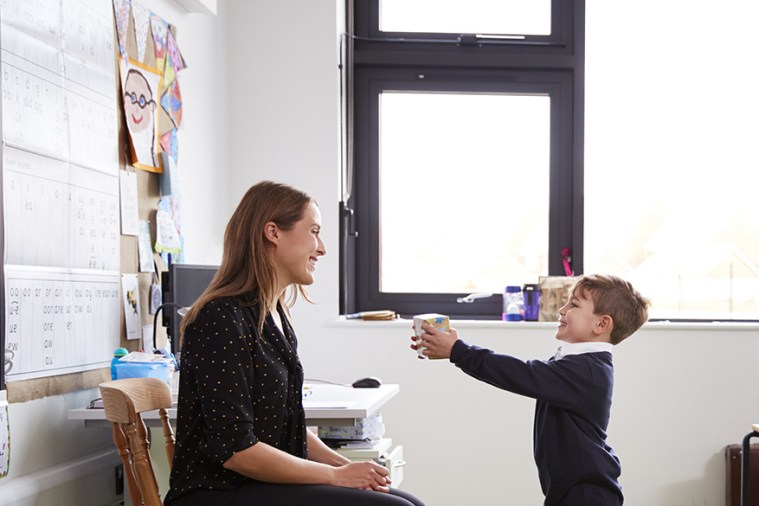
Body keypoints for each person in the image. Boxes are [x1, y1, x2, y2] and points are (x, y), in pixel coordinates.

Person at [165, 181, 424, 506]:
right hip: (218, 492)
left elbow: (290, 422)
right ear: (272, 232)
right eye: (314, 231)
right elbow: (235, 451)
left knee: (408, 501)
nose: (322, 248)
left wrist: (347, 468)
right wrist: (335, 477)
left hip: (261, 485)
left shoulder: (273, 315)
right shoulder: (220, 318)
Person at [411, 274, 650, 506]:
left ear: (602, 323)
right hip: (572, 489)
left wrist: (457, 350)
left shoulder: (586, 372)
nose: (562, 309)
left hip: (586, 494)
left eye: (574, 304)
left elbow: (519, 373)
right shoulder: (579, 364)